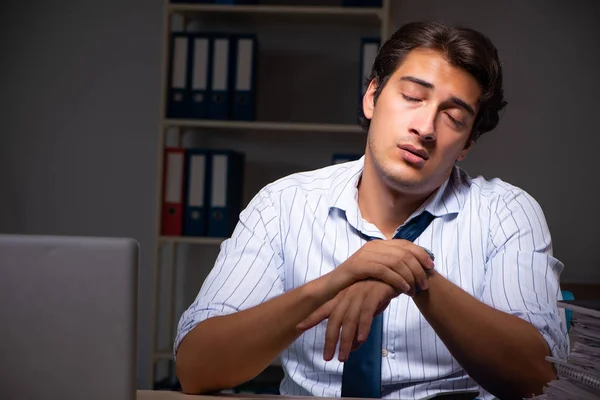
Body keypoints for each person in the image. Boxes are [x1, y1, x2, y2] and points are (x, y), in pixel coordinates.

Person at [173, 20, 568, 400]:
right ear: (372, 97)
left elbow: (539, 380)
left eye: (454, 117)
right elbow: (196, 369)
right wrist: (338, 280)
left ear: (466, 144)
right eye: (412, 97)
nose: (426, 127)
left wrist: (411, 276)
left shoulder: (507, 213)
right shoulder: (282, 203)